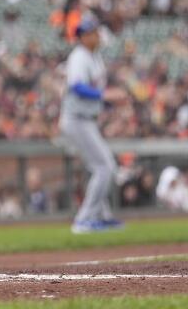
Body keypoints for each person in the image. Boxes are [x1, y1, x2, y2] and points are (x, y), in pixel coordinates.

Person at [59, 17, 123, 234]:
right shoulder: (79, 56)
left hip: (86, 120)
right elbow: (77, 87)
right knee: (106, 166)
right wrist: (106, 95)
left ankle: (100, 216)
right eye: (87, 33)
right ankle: (84, 219)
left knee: (100, 168)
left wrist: (108, 100)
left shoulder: (94, 57)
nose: (92, 36)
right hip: (76, 119)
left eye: (93, 32)